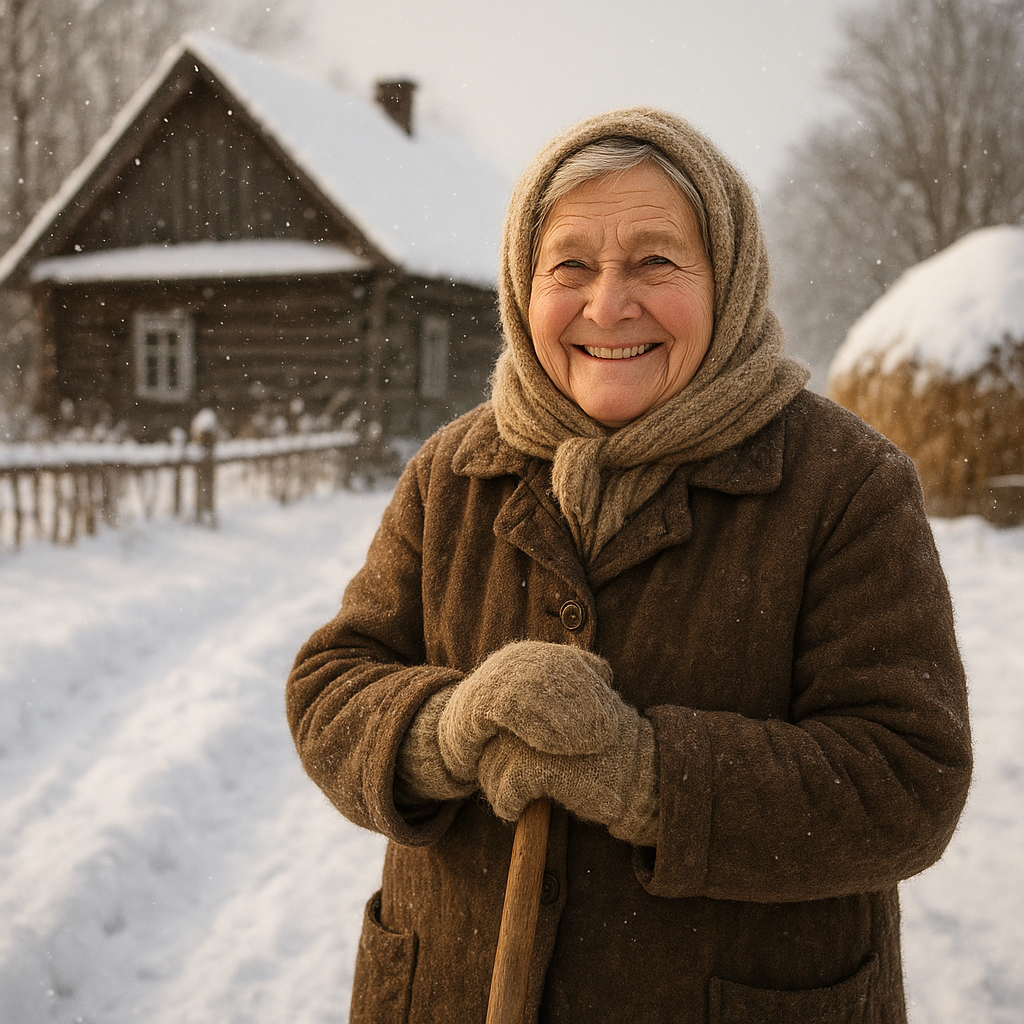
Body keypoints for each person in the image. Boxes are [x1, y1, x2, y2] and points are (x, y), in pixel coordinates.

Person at [286, 107, 971, 1023]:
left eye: (655, 261)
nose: (609, 305)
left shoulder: (845, 486)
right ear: (523, 287)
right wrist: (444, 731)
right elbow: (331, 687)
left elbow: (907, 779)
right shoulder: (453, 473)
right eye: (570, 266)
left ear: (726, 279)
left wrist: (649, 773)